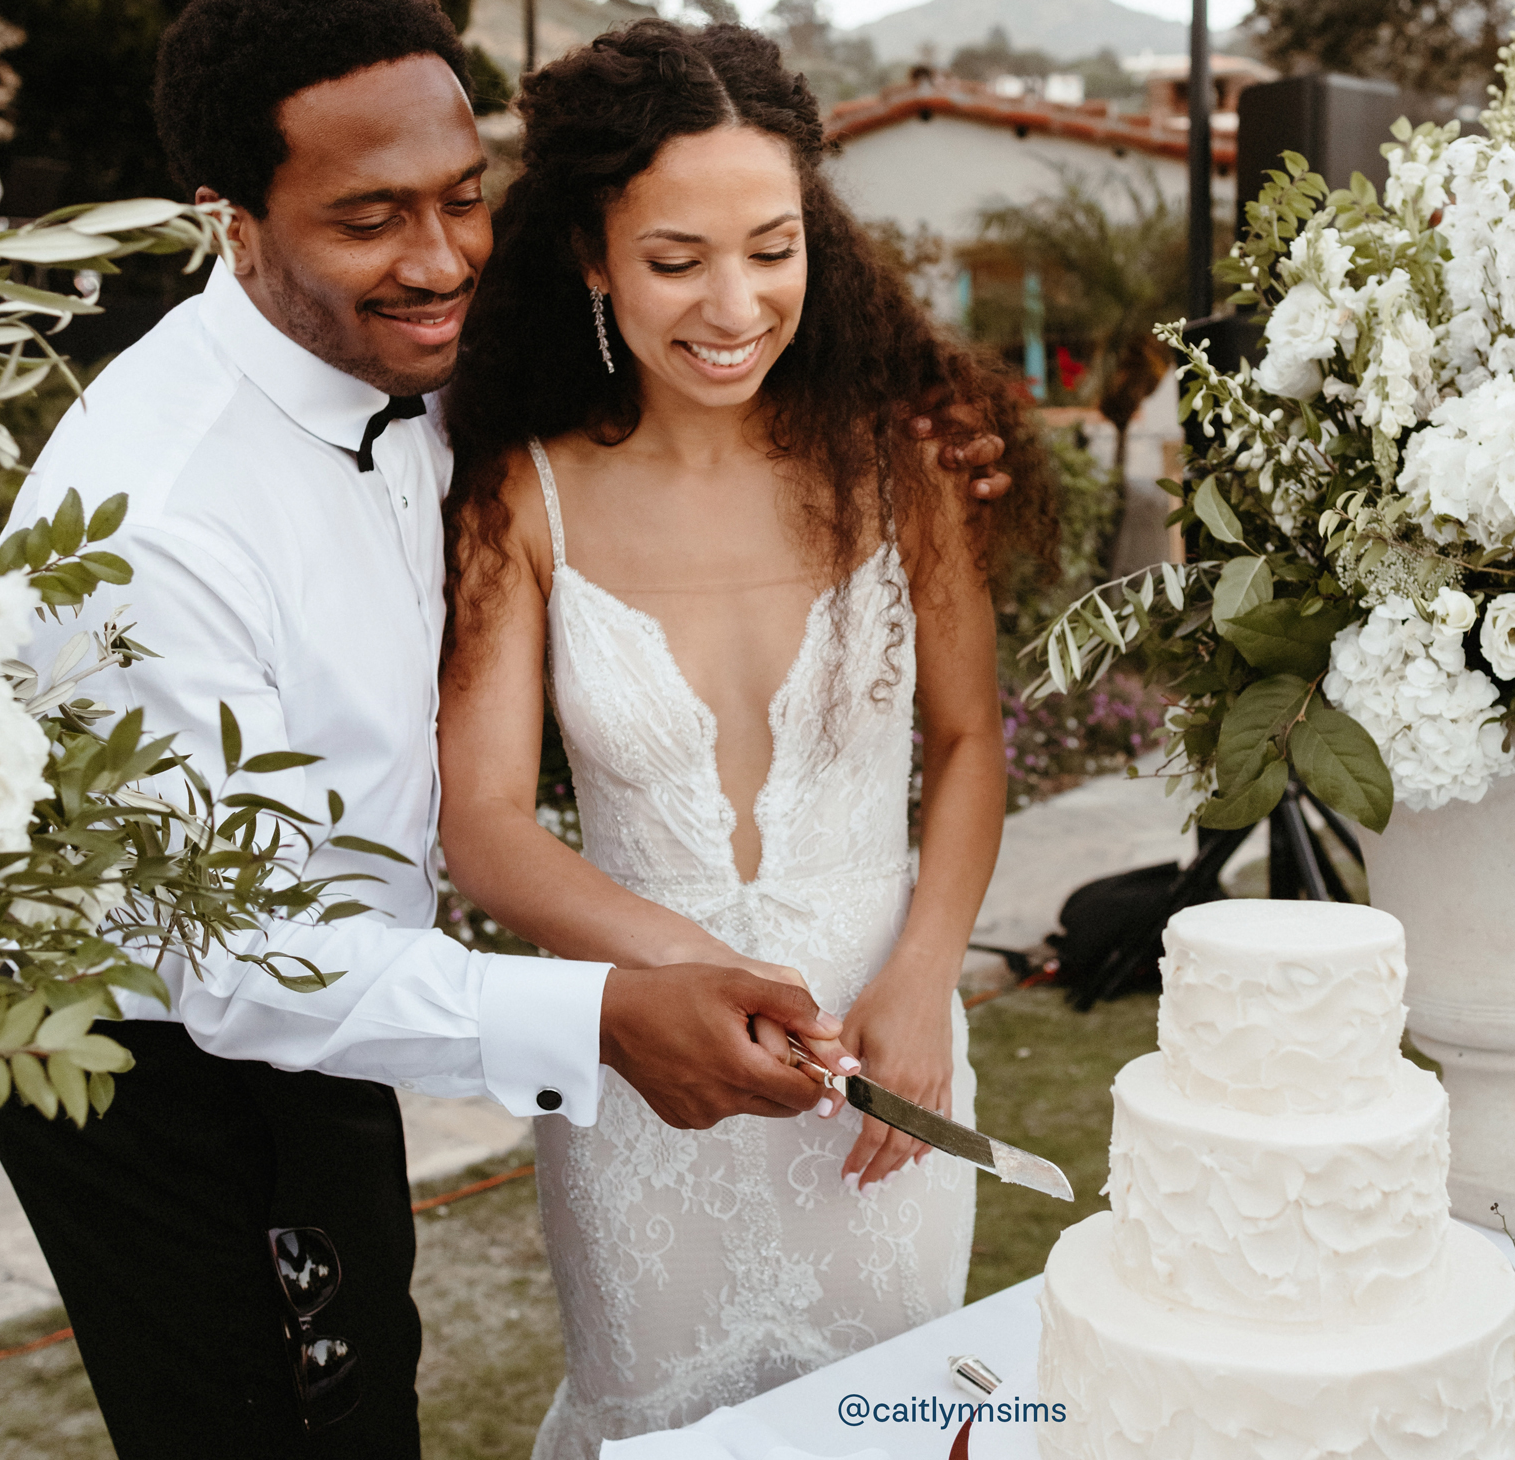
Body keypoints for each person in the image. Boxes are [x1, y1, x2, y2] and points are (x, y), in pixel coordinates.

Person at [0, 3, 1014, 1456]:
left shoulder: (439, 374)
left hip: (368, 1019)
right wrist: (605, 1009)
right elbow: (236, 961)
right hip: (163, 1064)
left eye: (465, 198)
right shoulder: (154, 522)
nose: (446, 257)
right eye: (370, 218)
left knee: (376, 1405)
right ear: (237, 221)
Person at [436, 21, 1051, 1455]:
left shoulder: (904, 468)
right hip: (649, 1079)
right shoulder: (520, 497)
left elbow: (966, 743)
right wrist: (694, 973)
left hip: (885, 1069)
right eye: (677, 260)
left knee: (893, 1416)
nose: (735, 302)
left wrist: (921, 978)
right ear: (593, 256)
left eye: (772, 248)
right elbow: (484, 823)